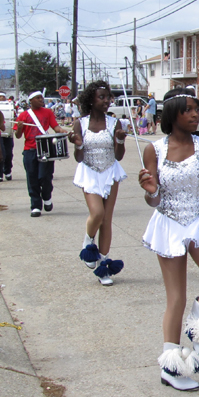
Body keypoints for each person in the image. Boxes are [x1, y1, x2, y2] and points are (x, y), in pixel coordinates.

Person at [137, 88, 199, 391]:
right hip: (169, 223)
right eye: (188, 110)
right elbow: (153, 200)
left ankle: (197, 323)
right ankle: (171, 367)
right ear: (172, 114)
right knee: (175, 298)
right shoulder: (154, 149)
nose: (195, 115)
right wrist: (151, 189)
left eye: (198, 109)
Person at [72, 81, 128, 286]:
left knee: (107, 220)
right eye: (101, 97)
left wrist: (120, 141)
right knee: (97, 213)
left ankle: (103, 266)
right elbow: (78, 157)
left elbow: (119, 156)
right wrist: (78, 145)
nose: (106, 101)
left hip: (110, 172)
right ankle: (88, 243)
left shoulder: (115, 123)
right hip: (89, 172)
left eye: (108, 97)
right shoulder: (81, 123)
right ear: (90, 100)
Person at [14, 91, 73, 217]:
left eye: (42, 97)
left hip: (46, 149)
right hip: (29, 150)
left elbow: (55, 127)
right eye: (38, 98)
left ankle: (47, 197)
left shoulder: (47, 112)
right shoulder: (23, 115)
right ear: (31, 101)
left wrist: (64, 132)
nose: (42, 100)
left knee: (45, 177)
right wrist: (19, 127)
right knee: (32, 178)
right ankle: (35, 205)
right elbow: (18, 136)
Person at [0, 93, 13, 180]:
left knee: (8, 154)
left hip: (8, 135)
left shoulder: (10, 107)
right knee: (1, 155)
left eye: (3, 96)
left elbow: (4, 127)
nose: (1, 98)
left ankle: (7, 171)